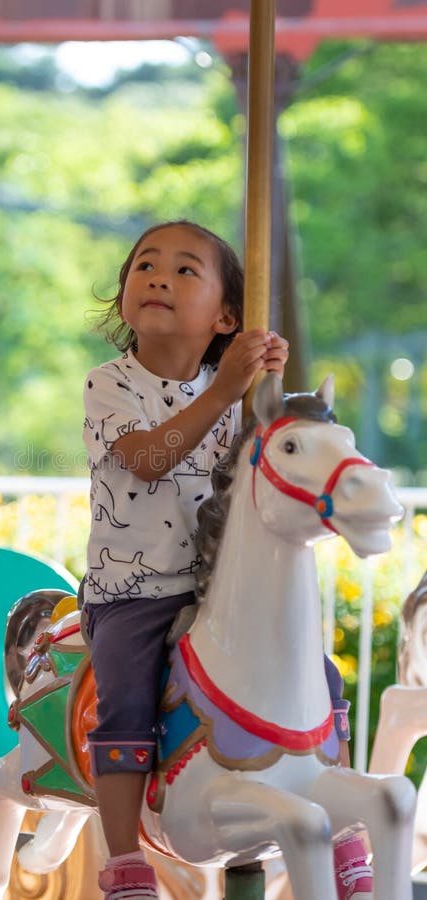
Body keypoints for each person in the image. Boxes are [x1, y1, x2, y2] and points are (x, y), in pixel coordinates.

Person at [82, 220, 369, 900]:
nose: (159, 276)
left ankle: (344, 828)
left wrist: (265, 383)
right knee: (125, 694)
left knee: (322, 677)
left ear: (227, 317)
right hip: (134, 591)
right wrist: (226, 391)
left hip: (220, 593)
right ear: (123, 293)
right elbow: (147, 459)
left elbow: (273, 471)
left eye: (185, 270)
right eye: (145, 265)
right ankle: (124, 860)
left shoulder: (237, 396)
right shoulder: (110, 384)